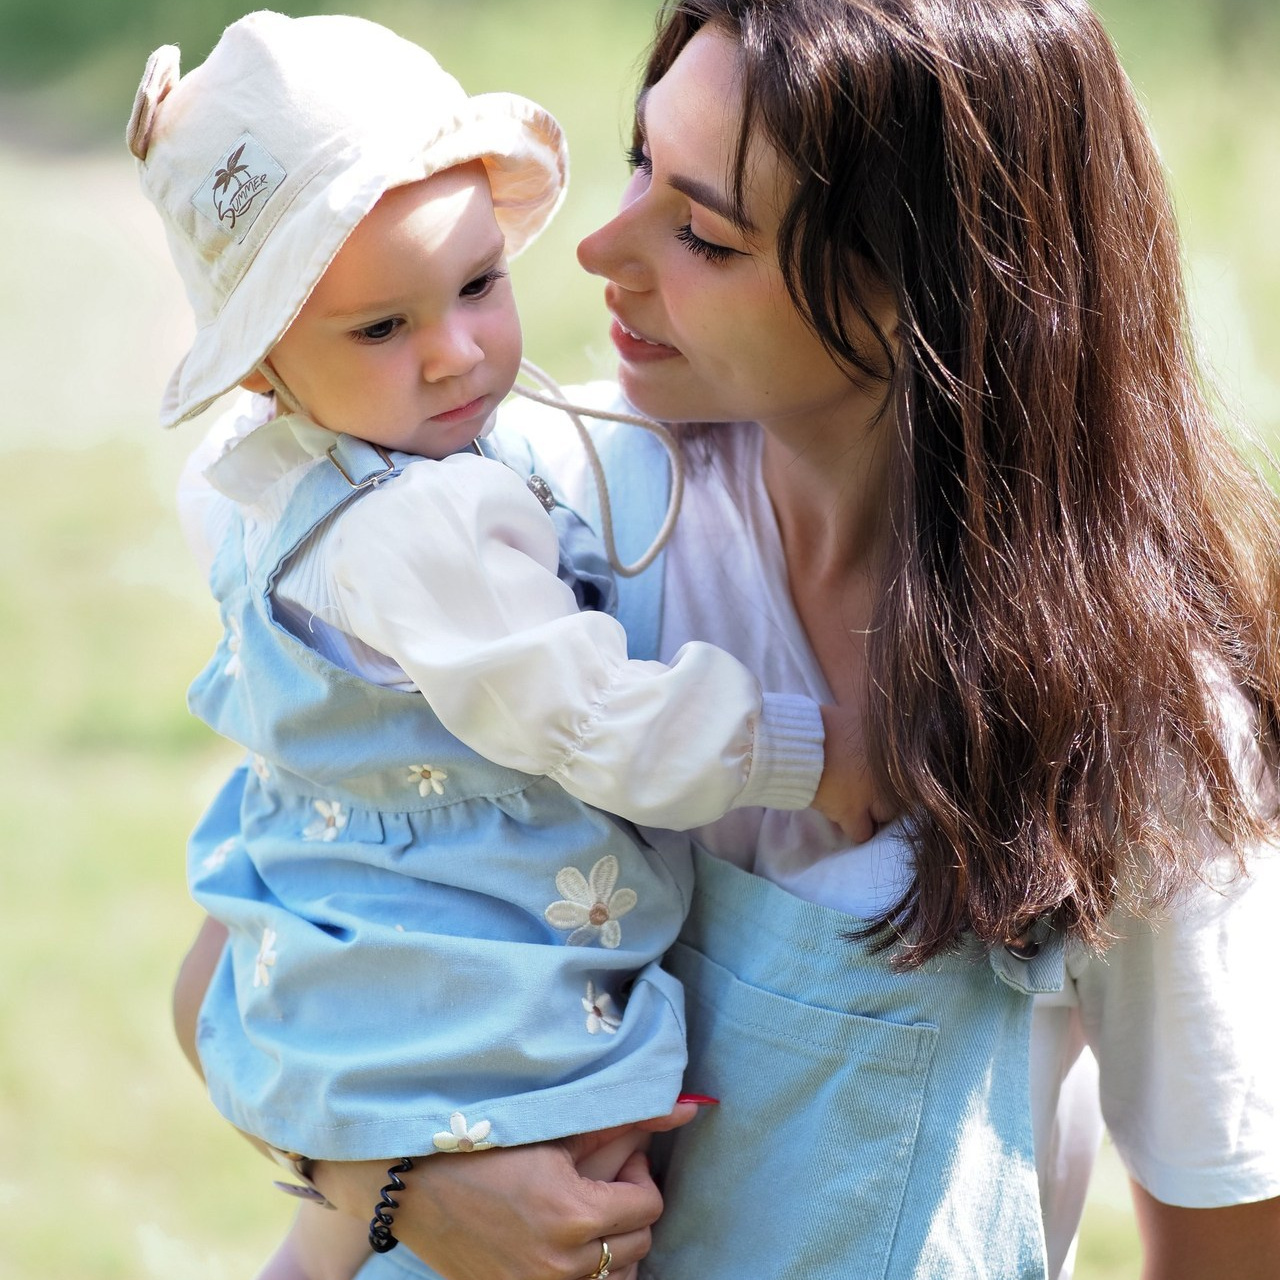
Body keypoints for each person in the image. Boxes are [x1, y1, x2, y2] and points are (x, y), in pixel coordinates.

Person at [173, 0, 1280, 1277]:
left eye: (700, 228)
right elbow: (228, 973)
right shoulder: (538, 524)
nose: (597, 246)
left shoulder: (1127, 716)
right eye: (639, 159)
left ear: (924, 288)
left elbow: (1228, 1226)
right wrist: (395, 1186)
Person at [133, 11, 883, 1280]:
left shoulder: (299, 477)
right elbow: (588, 713)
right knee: (569, 1207)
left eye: (479, 285)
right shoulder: (414, 523)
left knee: (329, 1249)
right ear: (264, 366)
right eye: (380, 330)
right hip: (470, 988)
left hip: (351, 958)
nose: (456, 354)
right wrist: (809, 753)